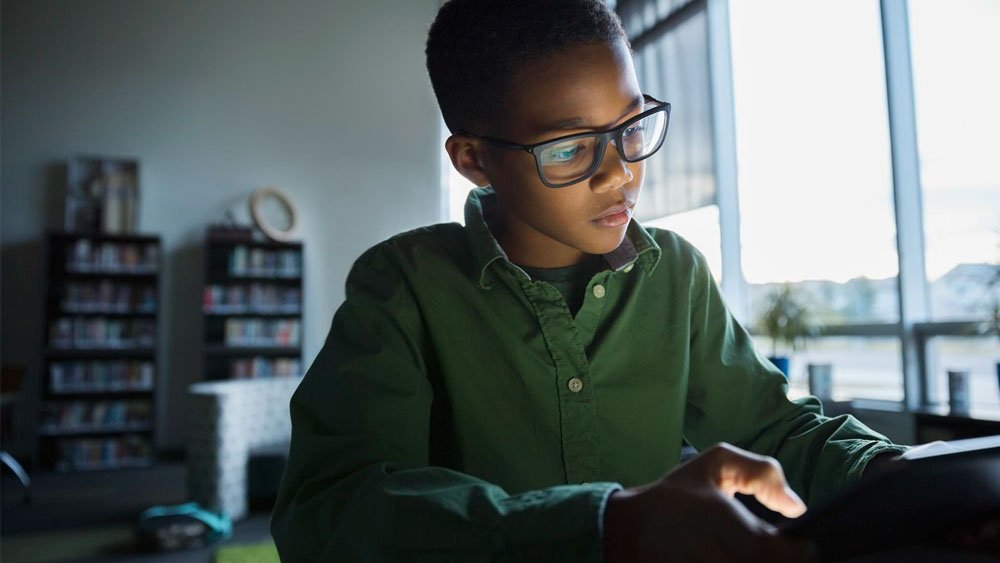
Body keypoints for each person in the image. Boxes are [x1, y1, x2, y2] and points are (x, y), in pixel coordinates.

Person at [270, 1, 909, 561]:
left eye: (630, 128)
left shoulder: (676, 273)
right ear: (474, 160)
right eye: (570, 148)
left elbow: (777, 430)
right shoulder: (403, 285)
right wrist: (605, 527)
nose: (619, 175)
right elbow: (332, 513)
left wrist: (903, 477)